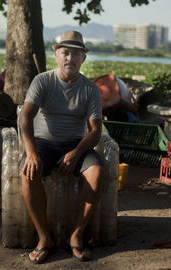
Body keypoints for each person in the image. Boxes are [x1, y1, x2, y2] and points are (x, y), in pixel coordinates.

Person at [19, 30, 104, 264]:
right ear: (57, 55)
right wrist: (32, 153)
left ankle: (76, 236)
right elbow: (25, 118)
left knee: (96, 172)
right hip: (43, 143)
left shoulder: (90, 89)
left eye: (76, 54)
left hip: (76, 144)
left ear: (83, 59)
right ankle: (45, 238)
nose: (70, 58)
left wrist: (76, 154)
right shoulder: (43, 81)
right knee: (28, 173)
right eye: (65, 52)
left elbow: (95, 131)